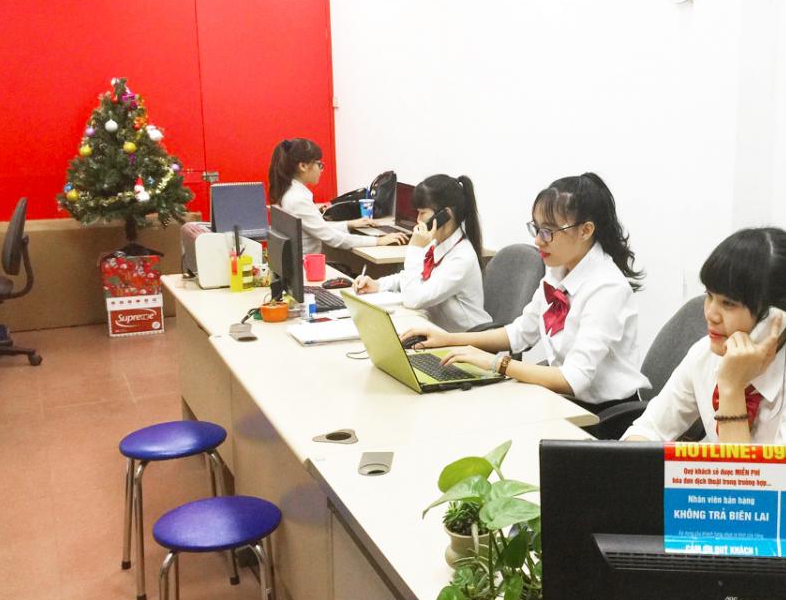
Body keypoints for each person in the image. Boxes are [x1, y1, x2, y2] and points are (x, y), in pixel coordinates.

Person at [401, 172, 649, 410]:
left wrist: (496, 363)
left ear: (585, 230)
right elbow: (520, 333)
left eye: (548, 232)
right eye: (536, 229)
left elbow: (574, 378)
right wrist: (447, 339)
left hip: (603, 417)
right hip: (563, 401)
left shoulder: (607, 288)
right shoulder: (558, 271)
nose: (538, 240)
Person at [623, 227, 786, 444]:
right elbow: (647, 430)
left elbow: (746, 479)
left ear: (779, 316)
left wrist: (732, 387)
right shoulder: (705, 354)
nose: (710, 314)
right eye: (709, 296)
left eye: (728, 304)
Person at [352, 174, 490, 331]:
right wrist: (378, 285)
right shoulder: (437, 243)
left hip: (468, 339)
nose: (418, 220)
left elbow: (413, 299)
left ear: (446, 214)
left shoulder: (461, 258)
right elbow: (415, 277)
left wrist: (415, 248)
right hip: (439, 332)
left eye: (422, 213)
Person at [267, 138, 406, 255]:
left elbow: (318, 227)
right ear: (303, 166)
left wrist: (349, 224)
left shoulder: (289, 192)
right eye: (319, 164)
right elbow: (331, 237)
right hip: (306, 268)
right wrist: (379, 241)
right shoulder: (298, 199)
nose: (321, 170)